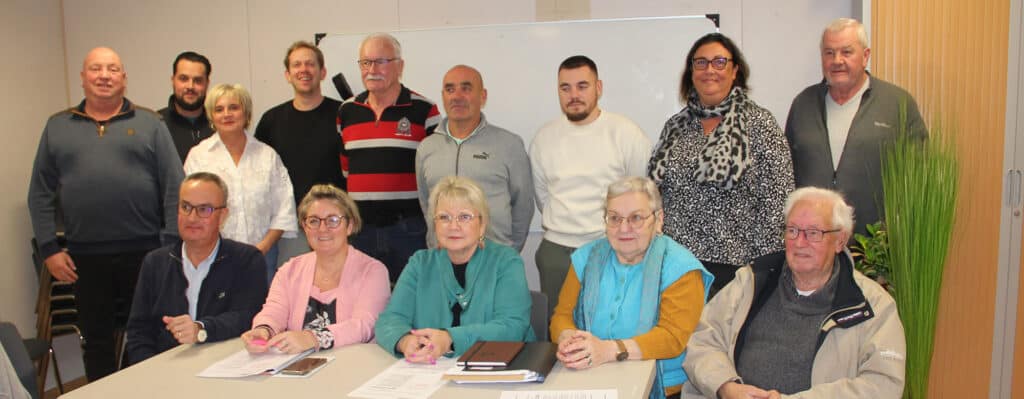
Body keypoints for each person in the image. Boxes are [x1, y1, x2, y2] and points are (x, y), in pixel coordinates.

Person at [27, 47, 183, 381]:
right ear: (83, 77)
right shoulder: (57, 126)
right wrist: (49, 250)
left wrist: (169, 243)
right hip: (84, 256)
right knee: (95, 342)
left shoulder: (149, 123)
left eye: (112, 69)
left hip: (145, 253)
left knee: (145, 336)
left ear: (124, 78)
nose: (104, 75)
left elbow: (175, 187)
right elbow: (39, 193)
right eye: (96, 69)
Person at [682, 187, 906, 399]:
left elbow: (882, 384)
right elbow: (702, 341)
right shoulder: (752, 282)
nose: (799, 242)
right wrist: (726, 387)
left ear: (840, 240)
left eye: (813, 233)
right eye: (792, 230)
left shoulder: (871, 305)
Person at [647, 33, 793, 297]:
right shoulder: (675, 127)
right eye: (700, 63)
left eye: (719, 62)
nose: (709, 70)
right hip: (677, 266)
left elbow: (777, 201)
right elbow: (657, 196)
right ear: (691, 72)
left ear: (735, 70)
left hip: (737, 271)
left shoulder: (759, 124)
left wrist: (763, 272)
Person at [550, 176, 712, 399]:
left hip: (666, 388)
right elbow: (561, 316)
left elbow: (672, 338)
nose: (623, 228)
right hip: (588, 378)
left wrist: (608, 350)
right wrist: (569, 340)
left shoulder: (681, 268)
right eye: (614, 218)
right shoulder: (586, 258)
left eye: (636, 218)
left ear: (658, 220)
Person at [530, 55, 651, 317]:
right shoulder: (544, 138)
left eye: (582, 86)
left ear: (599, 88)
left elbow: (642, 196)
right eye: (565, 88)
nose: (574, 95)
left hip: (610, 247)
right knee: (559, 334)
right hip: (556, 253)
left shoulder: (626, 133)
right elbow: (543, 198)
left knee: (609, 325)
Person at [785, 18, 927, 237]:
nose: (837, 61)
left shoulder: (897, 104)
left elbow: (919, 175)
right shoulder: (803, 104)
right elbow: (787, 174)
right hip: (814, 245)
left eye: (846, 52)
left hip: (876, 247)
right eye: (829, 53)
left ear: (865, 56)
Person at [375, 176, 534, 362]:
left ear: (482, 225)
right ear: (434, 224)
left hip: (499, 365)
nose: (453, 226)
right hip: (431, 374)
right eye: (444, 217)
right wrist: (404, 341)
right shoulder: (420, 264)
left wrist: (449, 339)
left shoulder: (506, 261)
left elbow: (513, 327)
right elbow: (389, 320)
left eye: (464, 217)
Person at [125, 172, 268, 365]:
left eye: (204, 209)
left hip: (225, 367)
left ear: (222, 216)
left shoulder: (247, 260)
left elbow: (247, 317)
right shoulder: (155, 263)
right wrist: (151, 371)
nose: (192, 217)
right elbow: (138, 332)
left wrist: (201, 329)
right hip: (165, 369)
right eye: (186, 207)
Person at [338, 33, 441, 282]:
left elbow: (434, 176)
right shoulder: (347, 111)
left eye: (381, 61)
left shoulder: (424, 110)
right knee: (362, 304)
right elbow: (346, 172)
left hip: (408, 231)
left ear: (400, 66)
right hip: (360, 231)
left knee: (412, 302)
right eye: (365, 62)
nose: (372, 69)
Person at [241, 184, 391, 354]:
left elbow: (365, 325)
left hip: (353, 367)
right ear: (305, 227)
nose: (322, 228)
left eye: (333, 220)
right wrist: (263, 330)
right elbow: (274, 310)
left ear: (350, 226)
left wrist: (313, 338)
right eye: (313, 221)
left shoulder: (373, 271)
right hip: (298, 366)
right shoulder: (289, 270)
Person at [184, 83, 297, 282]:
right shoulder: (199, 156)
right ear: (211, 116)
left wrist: (263, 247)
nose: (227, 114)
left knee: (262, 312)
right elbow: (190, 209)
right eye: (219, 109)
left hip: (262, 257)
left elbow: (284, 208)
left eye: (234, 107)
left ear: (246, 112)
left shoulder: (267, 156)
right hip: (213, 257)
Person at [416, 64, 534, 252]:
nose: (456, 96)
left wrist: (508, 253)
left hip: (493, 259)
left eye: (466, 88)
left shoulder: (509, 145)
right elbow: (426, 202)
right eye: (449, 89)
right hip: (443, 259)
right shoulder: (426, 148)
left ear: (483, 96)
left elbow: (523, 206)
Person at [255, 41, 345, 264]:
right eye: (297, 65)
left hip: (336, 222)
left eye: (310, 64)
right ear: (287, 74)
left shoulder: (344, 114)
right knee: (296, 292)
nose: (303, 70)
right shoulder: (271, 121)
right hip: (291, 229)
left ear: (322, 72)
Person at [158, 51, 214, 163]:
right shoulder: (156, 124)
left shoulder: (219, 125)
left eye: (198, 80)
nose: (190, 86)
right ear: (173, 80)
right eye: (183, 79)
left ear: (207, 83)